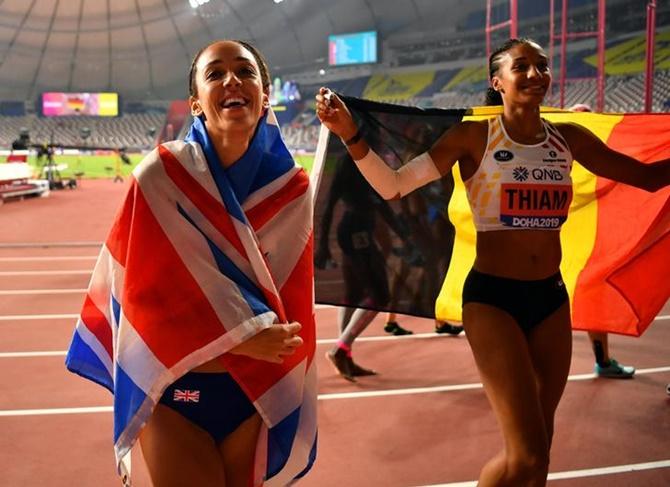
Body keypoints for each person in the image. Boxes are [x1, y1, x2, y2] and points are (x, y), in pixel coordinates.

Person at [316, 38, 670, 486]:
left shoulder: (569, 138)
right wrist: (351, 134)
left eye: (542, 66)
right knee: (525, 456)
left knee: (539, 456)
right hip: (492, 301)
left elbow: (647, 177)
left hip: (551, 300)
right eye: (522, 66)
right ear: (496, 80)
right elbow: (393, 185)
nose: (536, 74)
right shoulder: (473, 136)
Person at [66, 40, 317, 487]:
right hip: (175, 393)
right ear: (197, 103)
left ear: (265, 96)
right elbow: (141, 305)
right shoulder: (159, 177)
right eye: (215, 74)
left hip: (252, 395)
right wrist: (236, 343)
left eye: (245, 71)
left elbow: (290, 300)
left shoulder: (292, 189)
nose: (232, 80)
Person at [568, 103, 635, 378]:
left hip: (581, 243)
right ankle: (603, 362)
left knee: (591, 301)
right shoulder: (575, 153)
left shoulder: (570, 152)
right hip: (570, 243)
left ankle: (603, 361)